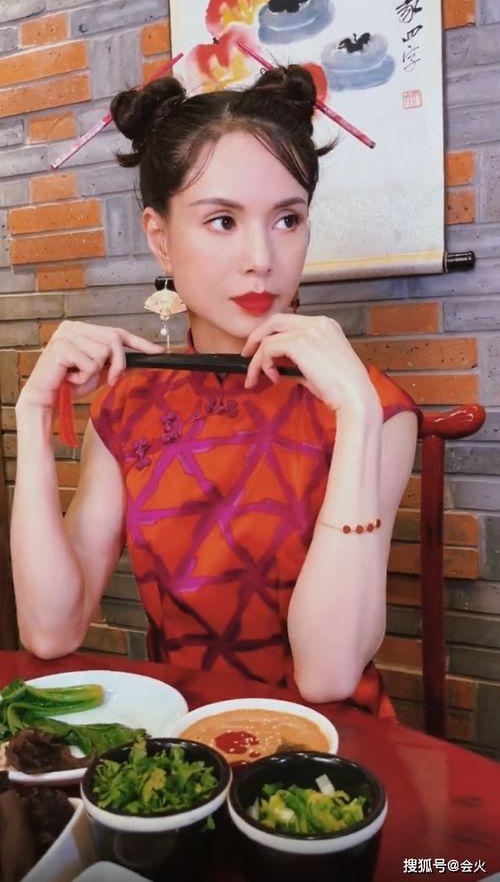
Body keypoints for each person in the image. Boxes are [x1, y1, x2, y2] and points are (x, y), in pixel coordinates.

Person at [11, 65, 418, 717]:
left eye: (288, 219)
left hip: (331, 747)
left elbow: (328, 674)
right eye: (223, 220)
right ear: (160, 238)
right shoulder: (129, 403)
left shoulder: (373, 408)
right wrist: (31, 416)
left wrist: (359, 418)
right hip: (181, 734)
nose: (262, 257)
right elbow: (50, 631)